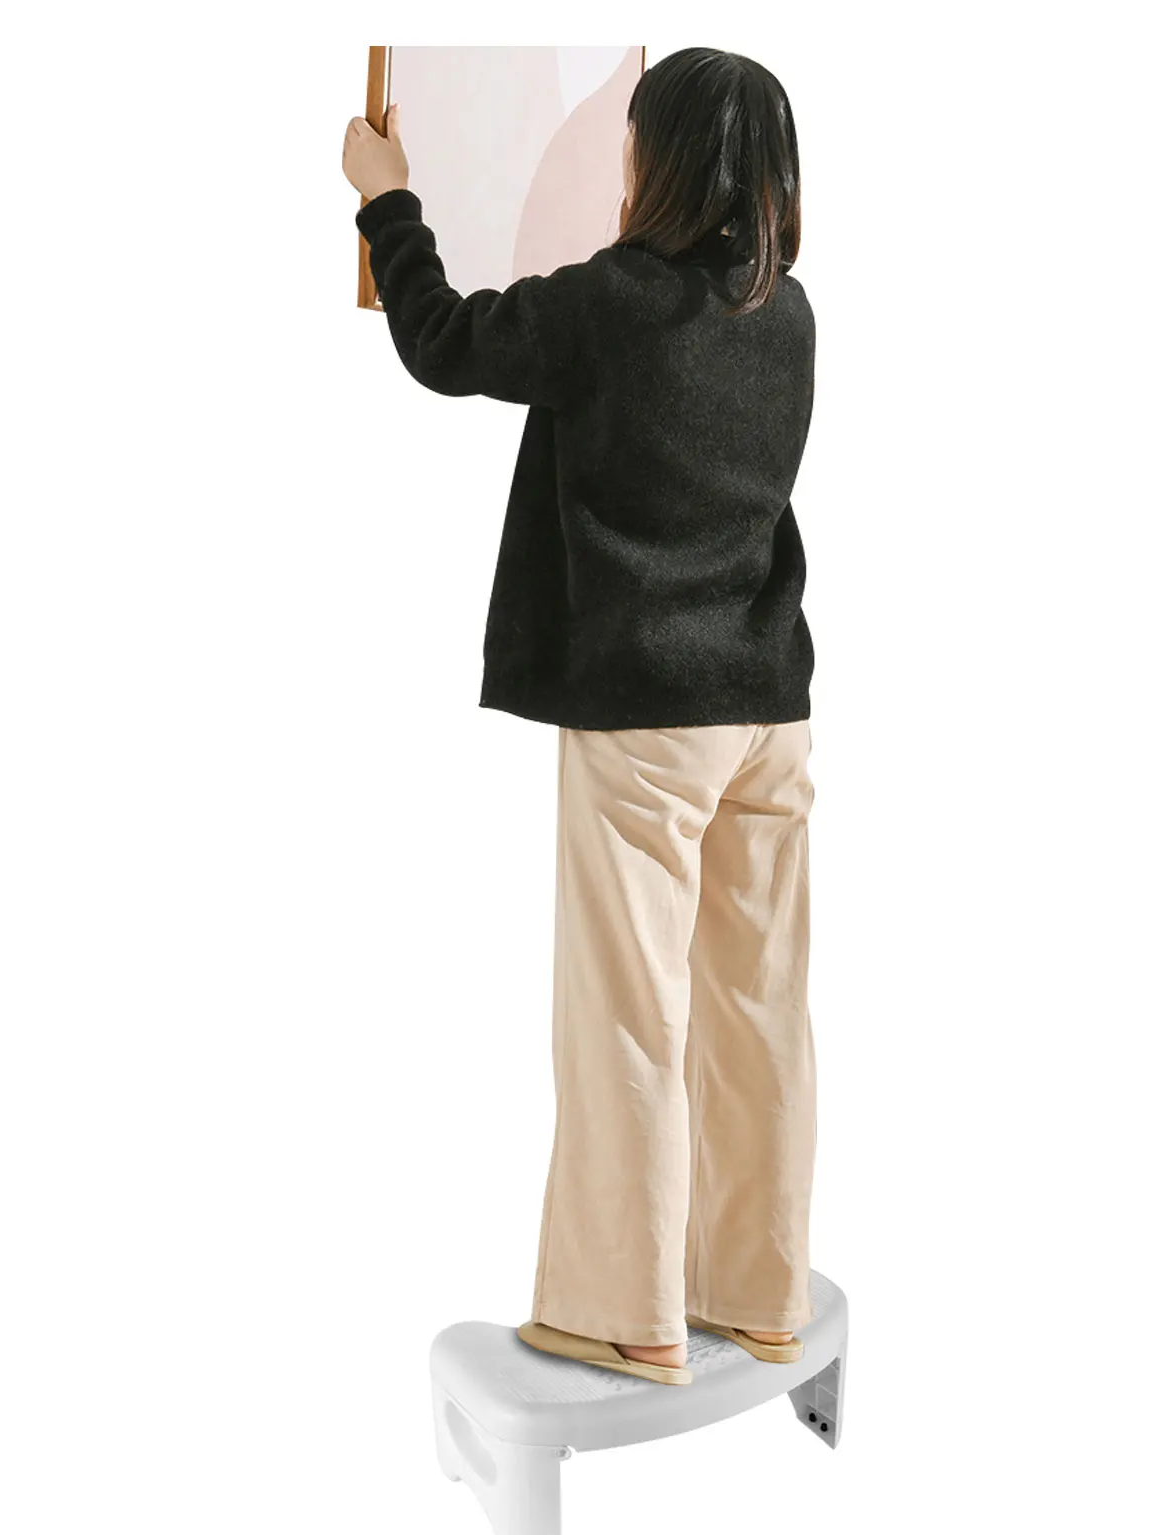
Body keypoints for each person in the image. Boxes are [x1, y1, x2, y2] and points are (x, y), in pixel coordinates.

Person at [342, 48, 817, 1386]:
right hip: (769, 715)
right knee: (760, 1014)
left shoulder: (614, 304)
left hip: (646, 723)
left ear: (653, 161)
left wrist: (386, 198)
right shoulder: (789, 314)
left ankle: (627, 1314)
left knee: (627, 1020)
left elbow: (442, 344)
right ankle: (760, 1294)